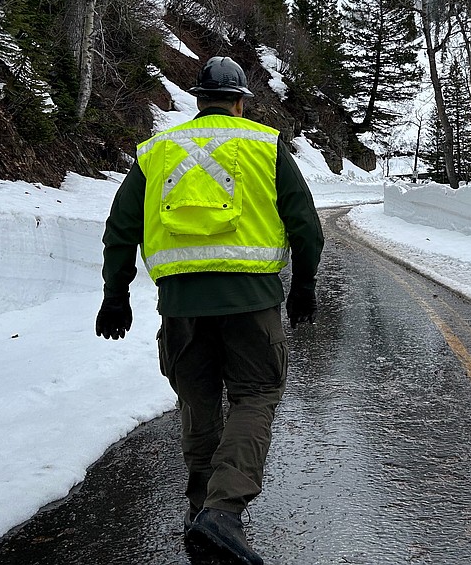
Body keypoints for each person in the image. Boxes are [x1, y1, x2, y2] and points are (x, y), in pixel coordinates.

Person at [95, 55, 324, 565]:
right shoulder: (264, 145)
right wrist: (304, 283)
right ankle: (222, 513)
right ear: (241, 100)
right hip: (252, 303)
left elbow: (121, 227)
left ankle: (198, 517)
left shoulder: (157, 151)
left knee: (198, 402)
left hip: (180, 308)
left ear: (197, 99)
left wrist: (116, 294)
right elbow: (304, 222)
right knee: (256, 394)